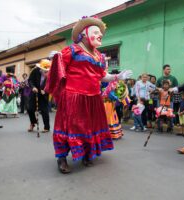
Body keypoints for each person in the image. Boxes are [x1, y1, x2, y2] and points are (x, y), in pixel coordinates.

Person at [45, 16, 132, 173]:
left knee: (89, 127)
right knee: (68, 127)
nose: (100, 35)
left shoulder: (99, 55)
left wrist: (118, 76)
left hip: (93, 98)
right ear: (84, 33)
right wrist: (56, 59)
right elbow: (58, 70)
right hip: (73, 97)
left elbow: (102, 76)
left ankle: (86, 153)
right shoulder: (71, 50)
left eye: (101, 33)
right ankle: (62, 158)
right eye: (96, 32)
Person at [27, 59, 51, 133]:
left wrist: (46, 90)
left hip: (44, 94)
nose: (45, 72)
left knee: (44, 111)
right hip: (35, 92)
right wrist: (33, 87)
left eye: (46, 70)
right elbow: (30, 80)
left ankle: (46, 127)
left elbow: (52, 84)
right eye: (44, 70)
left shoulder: (51, 73)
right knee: (30, 108)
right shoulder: (35, 70)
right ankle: (33, 122)